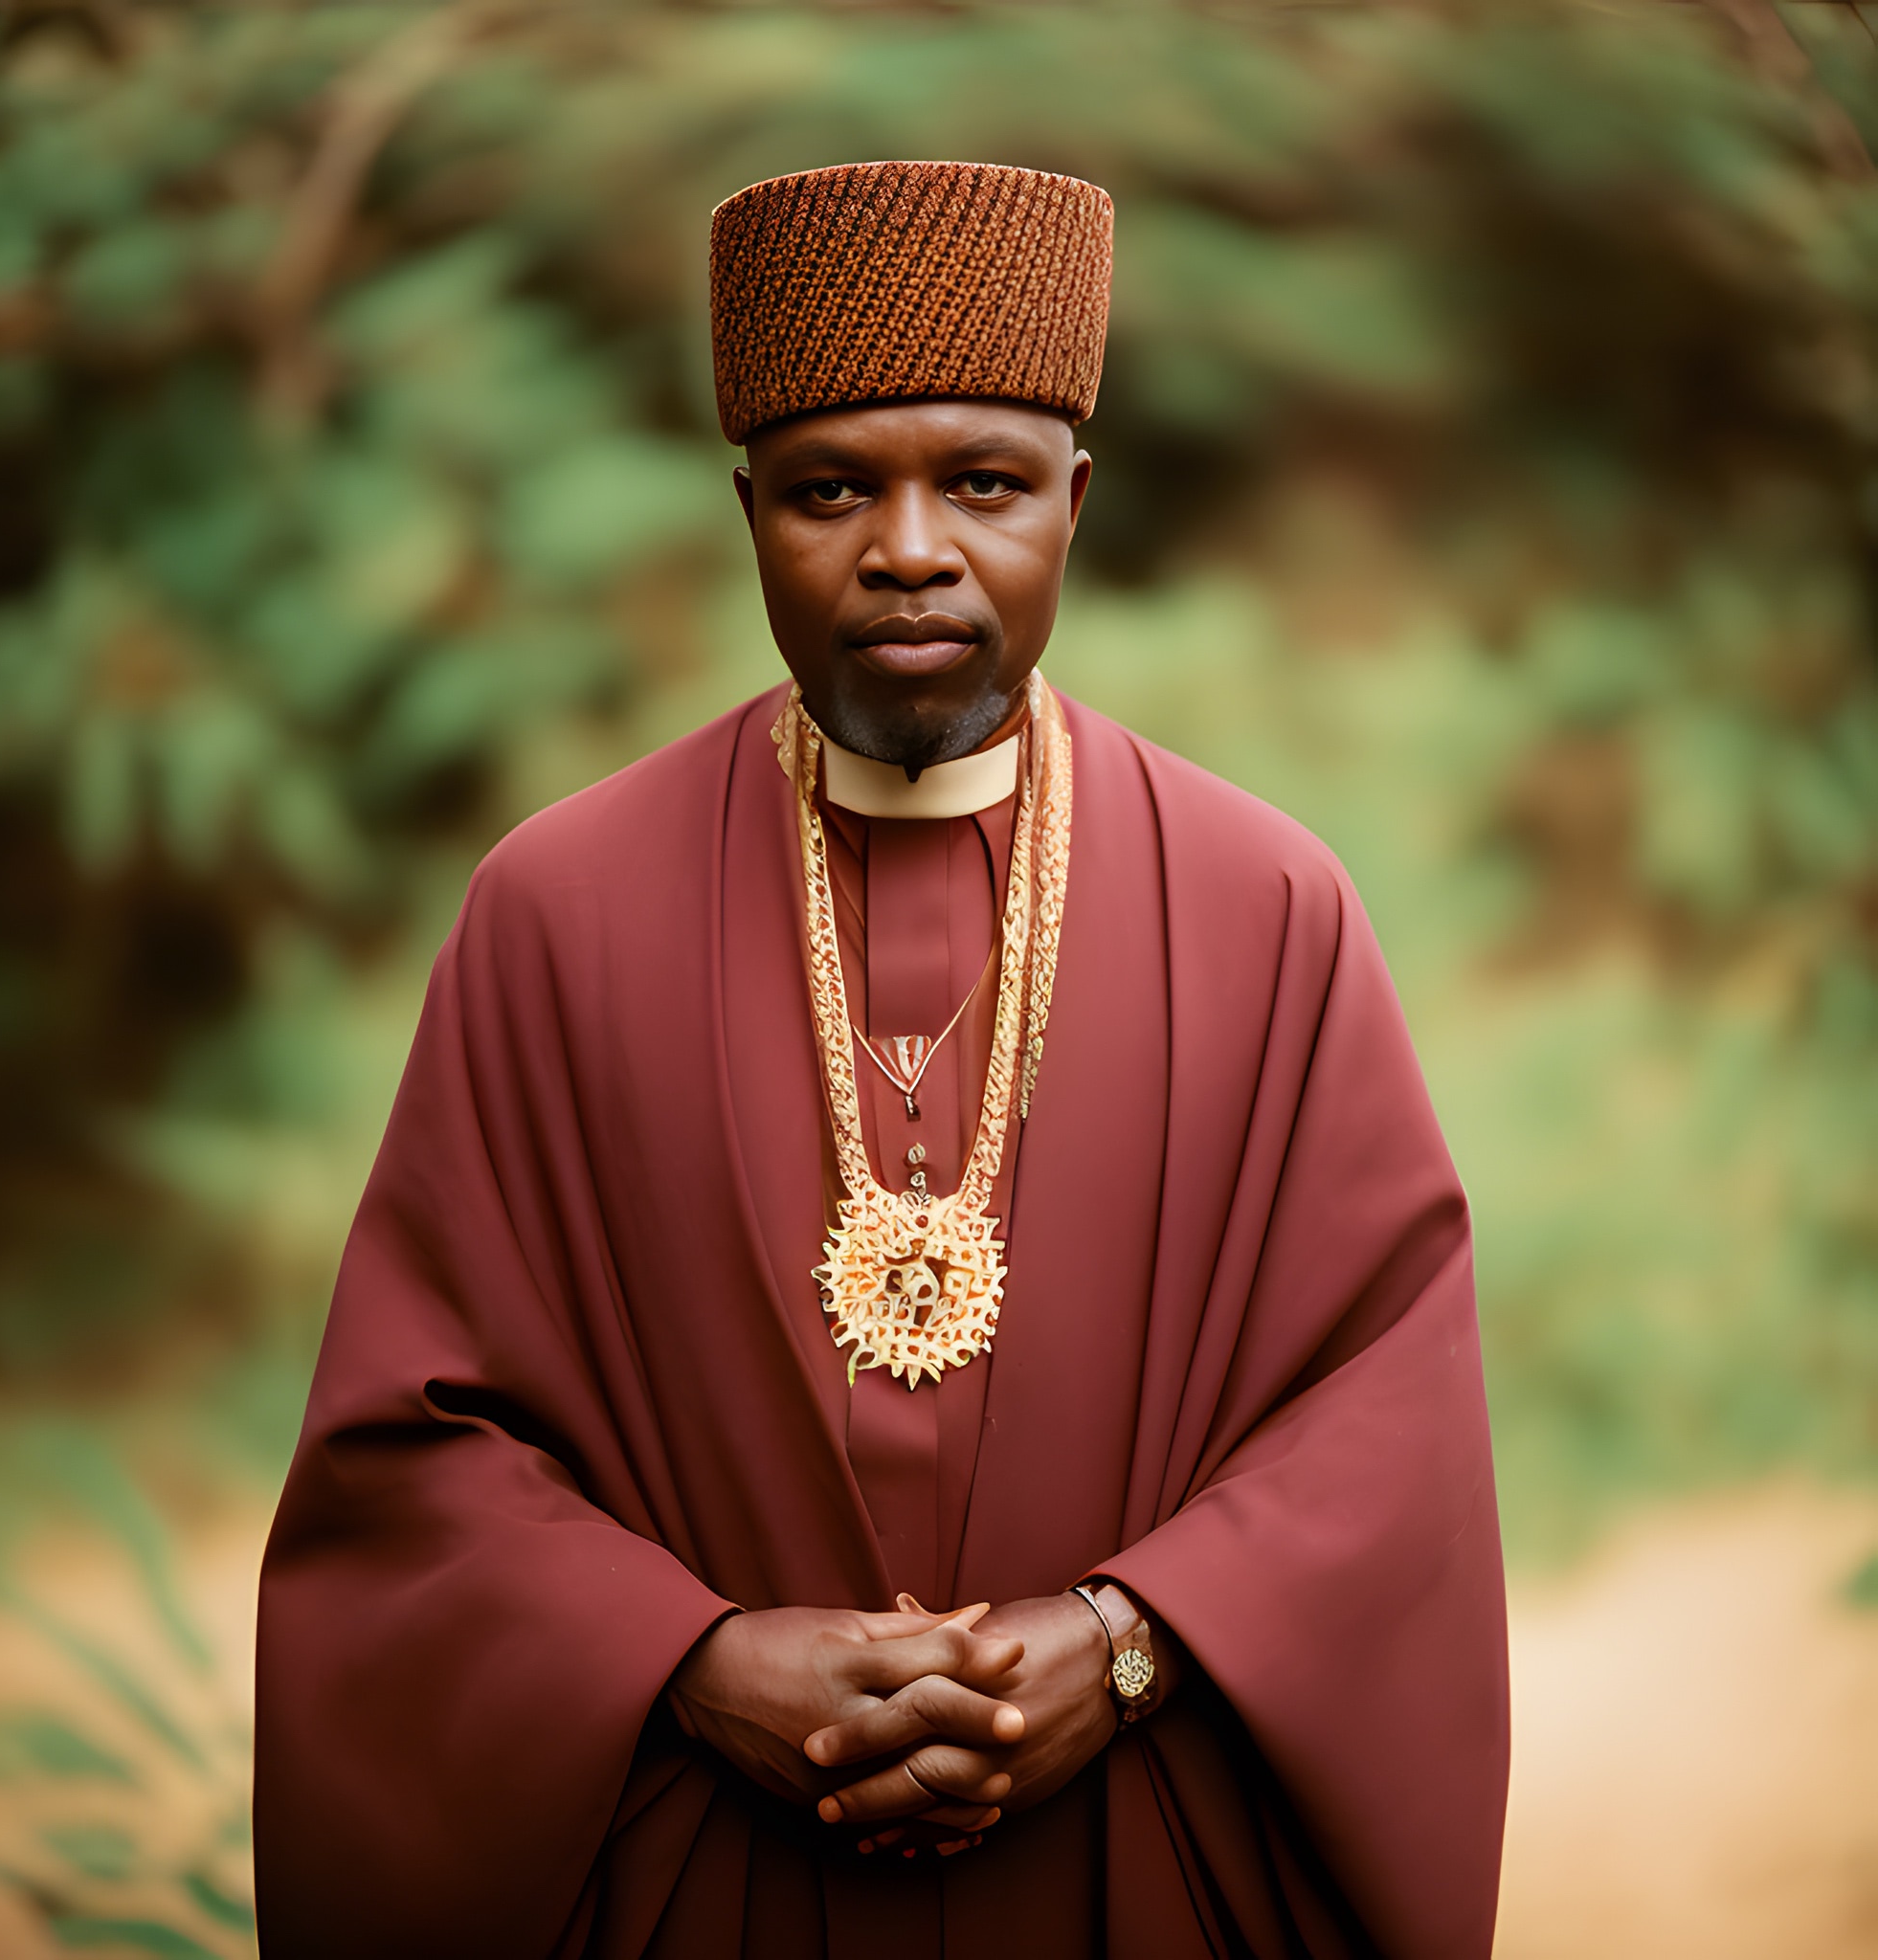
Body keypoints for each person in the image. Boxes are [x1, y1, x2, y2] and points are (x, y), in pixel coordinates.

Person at [253, 159, 1509, 1959]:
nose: (909, 547)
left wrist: (1131, 1637)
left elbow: (1385, 1426)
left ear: (1077, 501)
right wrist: (682, 1660)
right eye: (832, 488)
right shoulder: (559, 909)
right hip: (696, 1872)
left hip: (1126, 1865)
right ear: (747, 507)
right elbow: (413, 1451)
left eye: (983, 484)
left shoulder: (1269, 907)